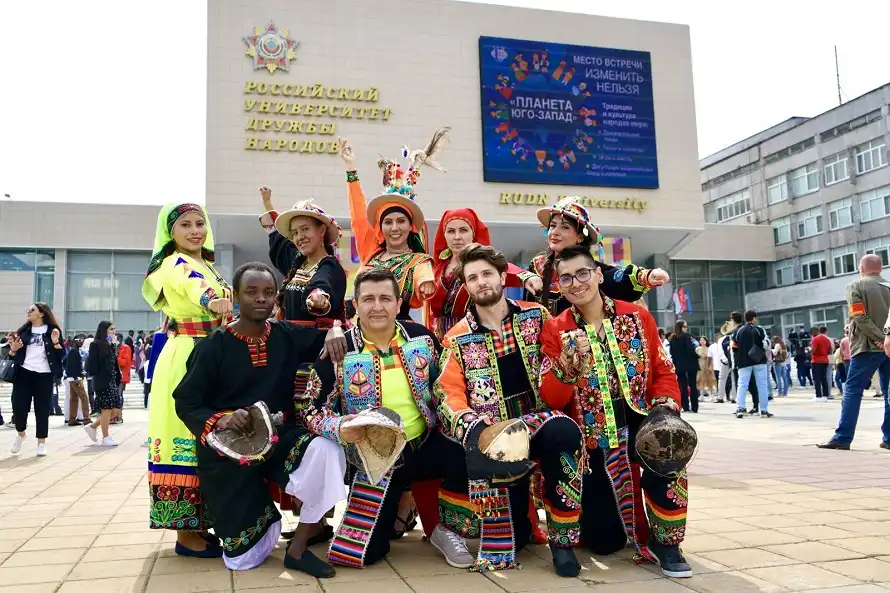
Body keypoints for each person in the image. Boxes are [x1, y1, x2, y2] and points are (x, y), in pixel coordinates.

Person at [174, 262, 346, 577]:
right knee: (245, 559)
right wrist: (222, 420)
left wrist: (335, 329)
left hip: (280, 437)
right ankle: (260, 519)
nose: (260, 298)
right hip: (229, 451)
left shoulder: (285, 334)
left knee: (328, 453)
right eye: (251, 292)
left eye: (268, 292)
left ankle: (298, 549)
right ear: (236, 296)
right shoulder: (214, 345)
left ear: (276, 297)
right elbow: (186, 401)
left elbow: (328, 338)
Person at [302, 268, 473, 570]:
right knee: (363, 554)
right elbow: (312, 409)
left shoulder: (422, 338)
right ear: (355, 305)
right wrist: (342, 427)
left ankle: (447, 530)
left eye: (385, 298)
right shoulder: (339, 349)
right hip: (376, 459)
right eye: (368, 299)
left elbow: (445, 386)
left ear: (398, 304)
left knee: (463, 445)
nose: (377, 307)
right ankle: (396, 512)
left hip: (425, 444)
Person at [539, 245, 691, 578]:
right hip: (592, 438)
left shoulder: (636, 315)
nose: (576, 283)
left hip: (640, 420)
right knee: (604, 542)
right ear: (559, 286)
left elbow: (663, 371)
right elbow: (551, 398)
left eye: (582, 273)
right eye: (566, 278)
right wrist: (567, 364)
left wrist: (664, 406)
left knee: (669, 439)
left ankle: (666, 542)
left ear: (597, 275)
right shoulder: (556, 328)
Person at [435, 244, 584, 576]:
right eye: (473, 277)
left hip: (540, 424)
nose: (481, 282)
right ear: (466, 286)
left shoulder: (536, 316)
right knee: (514, 536)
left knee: (563, 431)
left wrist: (570, 361)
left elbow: (556, 364)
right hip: (496, 441)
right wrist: (474, 426)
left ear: (503, 276)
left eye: (487, 274)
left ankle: (563, 543)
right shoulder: (456, 338)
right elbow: (447, 393)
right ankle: (521, 520)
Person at [142, 203, 233, 556]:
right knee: (184, 433)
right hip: (187, 355)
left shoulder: (204, 263)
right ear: (171, 231)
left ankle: (200, 524)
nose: (195, 231)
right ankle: (184, 533)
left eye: (200, 223)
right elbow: (192, 285)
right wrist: (211, 300)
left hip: (208, 351)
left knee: (207, 435)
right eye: (185, 225)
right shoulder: (175, 263)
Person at [339, 134, 444, 320]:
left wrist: (425, 281)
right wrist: (350, 167)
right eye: (388, 222)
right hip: (364, 329)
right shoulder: (371, 252)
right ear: (380, 228)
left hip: (399, 330)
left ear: (411, 226)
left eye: (401, 221)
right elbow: (358, 215)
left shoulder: (417, 261)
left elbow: (423, 273)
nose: (395, 227)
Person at [525, 196, 670, 316]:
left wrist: (647, 276)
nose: (555, 232)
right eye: (552, 226)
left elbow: (618, 279)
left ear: (580, 237)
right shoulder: (538, 265)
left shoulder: (591, 271)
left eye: (564, 227)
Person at [429, 208, 543, 339]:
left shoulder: (484, 263)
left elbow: (505, 269)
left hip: (474, 335)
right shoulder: (438, 268)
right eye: (451, 231)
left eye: (463, 230)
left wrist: (526, 276)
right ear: (444, 235)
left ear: (473, 233)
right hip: (439, 335)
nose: (457, 237)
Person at [820, 254, 890, 450]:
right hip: (888, 348)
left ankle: (843, 437)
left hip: (867, 347)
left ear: (861, 268)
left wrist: (880, 338)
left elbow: (860, 316)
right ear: (880, 269)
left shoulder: (856, 286)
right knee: (888, 393)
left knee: (852, 390)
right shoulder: (888, 286)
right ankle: (889, 438)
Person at [7, 302, 64, 456]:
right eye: (28, 309)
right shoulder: (23, 331)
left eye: (32, 310)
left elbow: (61, 355)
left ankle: (41, 442)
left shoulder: (53, 331)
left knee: (42, 409)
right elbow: (12, 355)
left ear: (41, 313)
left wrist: (55, 342)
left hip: (44, 375)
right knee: (18, 407)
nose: (28, 312)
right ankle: (21, 434)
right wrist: (13, 350)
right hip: (23, 373)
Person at [84, 321, 121, 447]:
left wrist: (112, 346)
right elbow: (93, 364)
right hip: (102, 381)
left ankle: (93, 426)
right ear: (104, 330)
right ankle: (106, 437)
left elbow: (113, 362)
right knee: (107, 409)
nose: (113, 332)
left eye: (114, 329)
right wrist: (108, 347)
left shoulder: (111, 345)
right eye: (111, 329)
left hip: (112, 380)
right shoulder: (96, 344)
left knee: (116, 410)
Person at [732, 310, 773, 418]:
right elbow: (766, 344)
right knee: (762, 385)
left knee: (742, 385)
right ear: (754, 318)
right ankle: (763, 410)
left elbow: (734, 347)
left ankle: (740, 408)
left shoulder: (738, 331)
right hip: (759, 360)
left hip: (743, 361)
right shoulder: (759, 329)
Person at [669, 321, 699, 413]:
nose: (686, 328)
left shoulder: (672, 338)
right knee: (693, 385)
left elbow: (671, 352)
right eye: (685, 326)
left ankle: (685, 406)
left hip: (679, 365)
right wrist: (698, 355)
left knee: (682, 386)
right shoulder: (687, 336)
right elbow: (691, 348)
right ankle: (694, 407)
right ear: (681, 327)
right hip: (691, 364)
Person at [64, 335, 89, 426]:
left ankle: (72, 419)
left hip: (72, 377)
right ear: (75, 341)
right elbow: (71, 365)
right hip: (75, 378)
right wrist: (77, 375)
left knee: (74, 398)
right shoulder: (74, 351)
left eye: (82, 340)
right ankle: (86, 418)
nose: (81, 342)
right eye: (79, 340)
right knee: (84, 397)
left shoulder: (73, 351)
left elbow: (66, 363)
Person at [810, 326, 833, 400]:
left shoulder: (815, 339)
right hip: (825, 360)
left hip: (816, 360)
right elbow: (830, 350)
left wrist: (809, 351)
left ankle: (818, 395)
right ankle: (825, 395)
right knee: (824, 378)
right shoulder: (827, 339)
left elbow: (813, 350)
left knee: (817, 379)